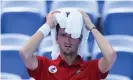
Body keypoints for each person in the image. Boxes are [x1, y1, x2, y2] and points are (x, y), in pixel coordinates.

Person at [19, 10, 117, 80]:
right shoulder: (44, 66)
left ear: (80, 39)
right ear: (56, 38)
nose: (68, 40)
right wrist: (48, 25)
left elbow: (111, 55)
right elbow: (25, 53)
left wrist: (90, 26)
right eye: (63, 35)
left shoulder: (92, 68)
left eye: (73, 36)